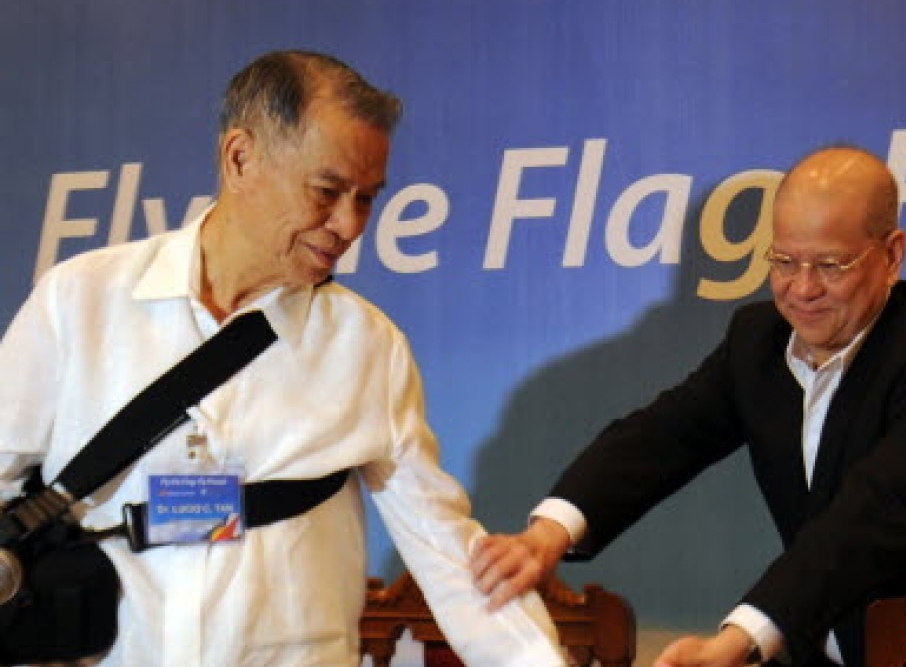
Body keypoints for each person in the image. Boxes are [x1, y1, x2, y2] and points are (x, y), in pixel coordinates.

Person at [0, 50, 566, 667]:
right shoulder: (79, 299)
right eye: (327, 191)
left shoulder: (367, 345)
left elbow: (444, 550)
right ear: (239, 157)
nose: (348, 225)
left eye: (368, 198)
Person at [470, 145, 906, 667]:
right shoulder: (757, 340)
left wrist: (738, 641)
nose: (802, 290)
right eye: (784, 261)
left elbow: (862, 524)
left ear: (892, 254)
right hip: (817, 647)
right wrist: (549, 534)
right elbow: (662, 437)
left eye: (830, 265)